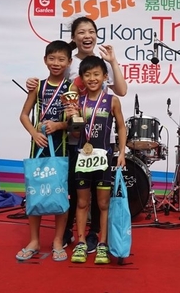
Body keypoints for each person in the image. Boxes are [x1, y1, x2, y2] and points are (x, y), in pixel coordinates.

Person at [25, 16, 128, 254]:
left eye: (91, 31)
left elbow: (121, 91)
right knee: (74, 188)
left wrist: (113, 61)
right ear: (74, 37)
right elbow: (51, 86)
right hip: (72, 140)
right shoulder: (68, 64)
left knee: (98, 193)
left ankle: (94, 235)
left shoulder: (102, 64)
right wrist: (33, 83)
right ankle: (69, 233)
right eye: (81, 32)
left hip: (100, 142)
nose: (86, 36)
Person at [15, 40, 77, 262]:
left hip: (61, 147)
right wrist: (34, 133)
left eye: (61, 59)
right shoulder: (38, 86)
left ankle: (58, 240)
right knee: (35, 192)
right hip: (38, 147)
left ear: (69, 62)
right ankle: (34, 240)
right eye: (52, 58)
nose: (56, 63)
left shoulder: (71, 88)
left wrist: (59, 125)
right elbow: (24, 114)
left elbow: (75, 122)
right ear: (45, 60)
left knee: (60, 193)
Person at [67, 55, 127, 264]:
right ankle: (81, 242)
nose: (92, 78)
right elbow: (75, 134)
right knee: (82, 203)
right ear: (81, 79)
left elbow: (121, 127)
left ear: (104, 77)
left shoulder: (112, 100)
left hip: (104, 158)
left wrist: (121, 153)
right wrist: (72, 117)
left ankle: (102, 243)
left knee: (103, 204)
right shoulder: (78, 102)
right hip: (82, 158)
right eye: (87, 75)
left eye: (96, 74)